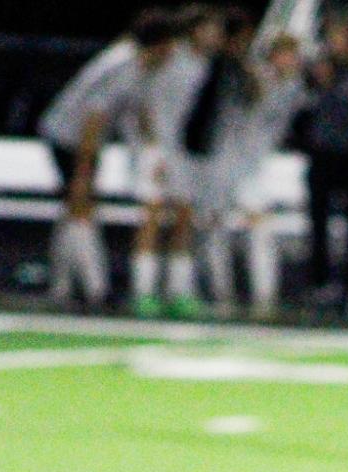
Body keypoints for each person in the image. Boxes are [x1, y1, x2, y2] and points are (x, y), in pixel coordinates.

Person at [38, 13, 168, 308]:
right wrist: (84, 168)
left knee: (74, 210)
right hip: (70, 138)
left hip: (80, 139)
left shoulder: (139, 65)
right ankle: (97, 289)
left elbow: (138, 114)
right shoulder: (125, 63)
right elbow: (94, 115)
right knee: (82, 207)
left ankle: (62, 286)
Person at [199, 30, 306, 314]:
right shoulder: (254, 76)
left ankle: (264, 297)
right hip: (224, 160)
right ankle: (221, 294)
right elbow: (248, 89)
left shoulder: (294, 86)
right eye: (286, 54)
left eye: (293, 55)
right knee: (215, 226)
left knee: (261, 228)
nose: (291, 60)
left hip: (254, 167)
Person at [130, 5, 225, 316]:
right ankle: (143, 292)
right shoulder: (170, 57)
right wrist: (153, 148)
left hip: (184, 153)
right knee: (152, 217)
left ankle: (179, 292)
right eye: (208, 28)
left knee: (184, 219)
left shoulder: (207, 66)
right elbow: (146, 103)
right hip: (158, 149)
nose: (214, 36)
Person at [303, 16, 348, 311]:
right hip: (322, 153)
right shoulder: (318, 70)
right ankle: (318, 282)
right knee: (318, 222)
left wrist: (330, 83)